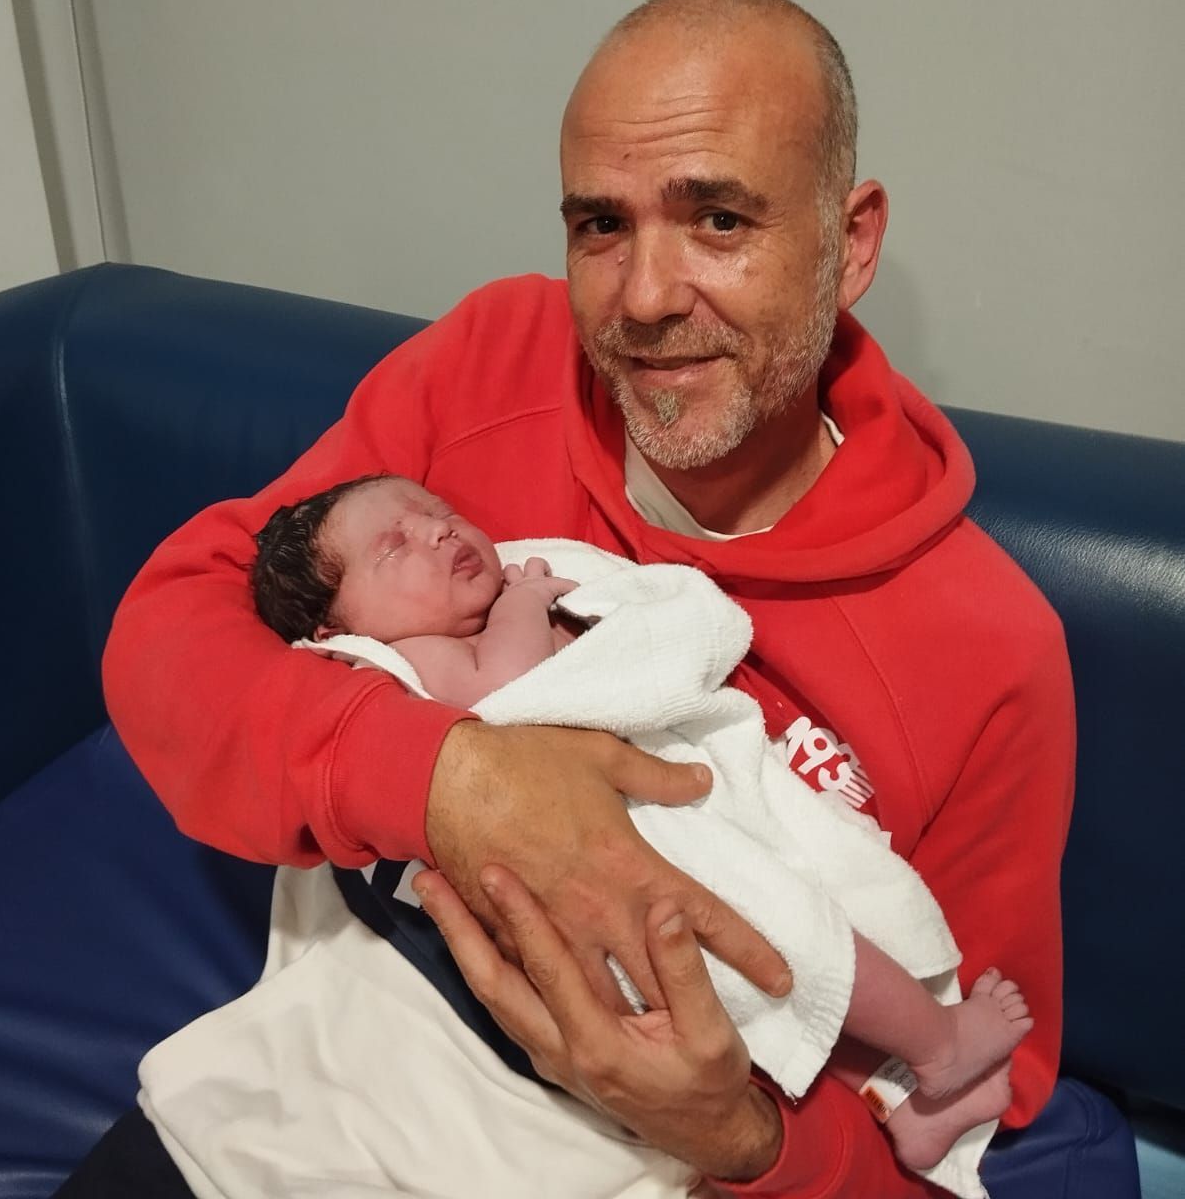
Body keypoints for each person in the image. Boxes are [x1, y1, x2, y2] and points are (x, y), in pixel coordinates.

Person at [100, 0, 1074, 1198]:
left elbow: (962, 1111)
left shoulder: (987, 649)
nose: (646, 295)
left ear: (851, 241)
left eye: (717, 219)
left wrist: (744, 1140)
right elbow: (172, 633)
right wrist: (455, 781)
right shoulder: (491, 360)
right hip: (314, 1098)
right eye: (602, 225)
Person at [250, 468, 1032, 1184]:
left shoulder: (470, 611)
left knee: (791, 998)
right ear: (336, 630)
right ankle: (939, 1045)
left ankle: (904, 1101)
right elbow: (508, 686)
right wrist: (525, 603)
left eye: (440, 512)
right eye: (395, 547)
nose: (437, 531)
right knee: (805, 939)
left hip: (650, 823)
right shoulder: (407, 661)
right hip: (633, 862)